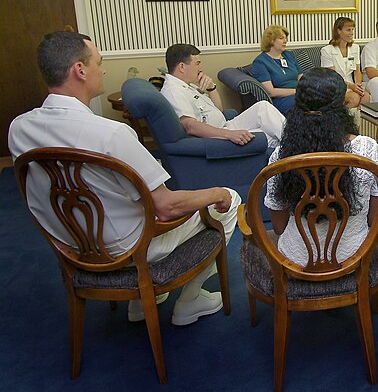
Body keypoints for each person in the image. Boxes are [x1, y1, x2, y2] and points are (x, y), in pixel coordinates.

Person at [8, 31, 240, 326]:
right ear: (79, 70)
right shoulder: (112, 135)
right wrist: (218, 192)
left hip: (72, 244)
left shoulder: (19, 129)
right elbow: (166, 207)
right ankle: (190, 301)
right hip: (130, 248)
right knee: (230, 201)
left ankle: (143, 303)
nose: (102, 69)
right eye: (99, 62)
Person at [265, 68, 378, 266]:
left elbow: (278, 227)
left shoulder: (281, 157)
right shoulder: (367, 150)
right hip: (354, 257)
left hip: (296, 261)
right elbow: (375, 219)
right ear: (343, 106)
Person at [160, 44, 284, 148]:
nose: (201, 68)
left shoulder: (187, 86)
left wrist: (211, 87)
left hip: (225, 127)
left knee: (263, 107)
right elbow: (189, 126)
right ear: (182, 67)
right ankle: (300, 149)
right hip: (217, 138)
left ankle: (299, 144)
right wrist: (229, 134)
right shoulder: (174, 91)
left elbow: (218, 110)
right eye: (197, 63)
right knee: (272, 136)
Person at [251, 25, 303, 114]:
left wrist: (308, 89)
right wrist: (298, 91)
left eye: (286, 38)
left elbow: (301, 77)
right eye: (281, 38)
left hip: (300, 94)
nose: (285, 41)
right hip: (281, 99)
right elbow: (271, 92)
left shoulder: (289, 55)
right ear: (271, 40)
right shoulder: (260, 62)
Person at [321, 16, 370, 108]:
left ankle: (357, 121)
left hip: (352, 86)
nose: (352, 33)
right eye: (348, 30)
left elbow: (357, 71)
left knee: (366, 97)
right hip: (335, 87)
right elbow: (332, 77)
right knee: (354, 98)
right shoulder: (327, 51)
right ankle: (341, 119)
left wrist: (358, 86)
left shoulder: (355, 48)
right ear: (338, 31)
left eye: (352, 29)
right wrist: (351, 86)